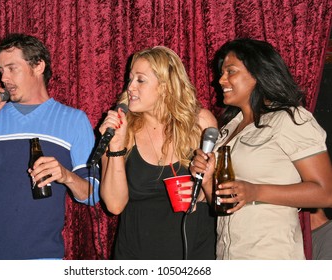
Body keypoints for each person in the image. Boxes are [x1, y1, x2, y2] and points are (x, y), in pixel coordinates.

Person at [0, 33, 99, 260]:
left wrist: (66, 176)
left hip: (42, 259)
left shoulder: (73, 120)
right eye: (1, 70)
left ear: (38, 66)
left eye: (11, 68)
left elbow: (93, 195)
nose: (3, 77)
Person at [190, 38, 332, 259]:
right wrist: (207, 180)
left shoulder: (290, 119)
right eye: (222, 72)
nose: (221, 80)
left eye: (231, 71)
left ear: (258, 74)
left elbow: (326, 193)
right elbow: (222, 203)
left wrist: (255, 191)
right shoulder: (229, 128)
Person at [98, 46, 217, 259]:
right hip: (136, 256)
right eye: (130, 79)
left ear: (165, 86)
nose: (130, 87)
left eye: (140, 80)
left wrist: (201, 189)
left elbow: (218, 196)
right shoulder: (122, 129)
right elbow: (114, 205)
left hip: (194, 253)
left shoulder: (200, 123)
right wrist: (115, 145)